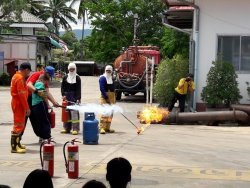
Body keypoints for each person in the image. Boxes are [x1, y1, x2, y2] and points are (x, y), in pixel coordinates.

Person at [24, 65, 59, 142]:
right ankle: (17, 138)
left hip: (34, 100)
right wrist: (37, 91)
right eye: (50, 75)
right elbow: (29, 85)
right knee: (24, 119)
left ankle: (42, 136)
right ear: (46, 72)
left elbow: (47, 93)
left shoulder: (44, 80)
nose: (50, 77)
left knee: (37, 120)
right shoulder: (37, 75)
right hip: (28, 98)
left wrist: (54, 102)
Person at [10, 62, 31, 153]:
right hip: (19, 103)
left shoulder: (17, 76)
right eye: (29, 71)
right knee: (18, 125)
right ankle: (14, 147)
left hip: (17, 102)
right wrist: (27, 108)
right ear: (26, 69)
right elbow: (21, 95)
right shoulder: (20, 78)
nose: (29, 73)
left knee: (20, 124)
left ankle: (17, 144)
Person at [60, 63, 81, 135]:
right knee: (66, 112)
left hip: (74, 96)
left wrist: (78, 98)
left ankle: (75, 129)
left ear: (75, 69)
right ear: (68, 69)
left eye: (73, 69)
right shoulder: (65, 77)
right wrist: (63, 95)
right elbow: (62, 87)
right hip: (66, 96)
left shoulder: (77, 78)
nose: (71, 70)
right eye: (70, 69)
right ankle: (67, 128)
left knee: (74, 112)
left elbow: (78, 89)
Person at [32, 74, 53, 143]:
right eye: (45, 82)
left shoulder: (35, 84)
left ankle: (41, 137)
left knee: (39, 122)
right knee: (46, 121)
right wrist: (48, 104)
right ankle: (47, 137)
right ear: (41, 80)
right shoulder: (40, 84)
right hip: (40, 104)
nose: (45, 84)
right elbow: (44, 95)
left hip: (34, 105)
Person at [99, 65, 116, 134]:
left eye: (110, 70)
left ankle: (107, 127)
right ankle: (102, 127)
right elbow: (102, 88)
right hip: (105, 96)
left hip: (112, 97)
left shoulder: (112, 78)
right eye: (107, 70)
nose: (108, 71)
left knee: (110, 113)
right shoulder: (103, 78)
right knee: (105, 112)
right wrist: (106, 97)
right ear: (105, 70)